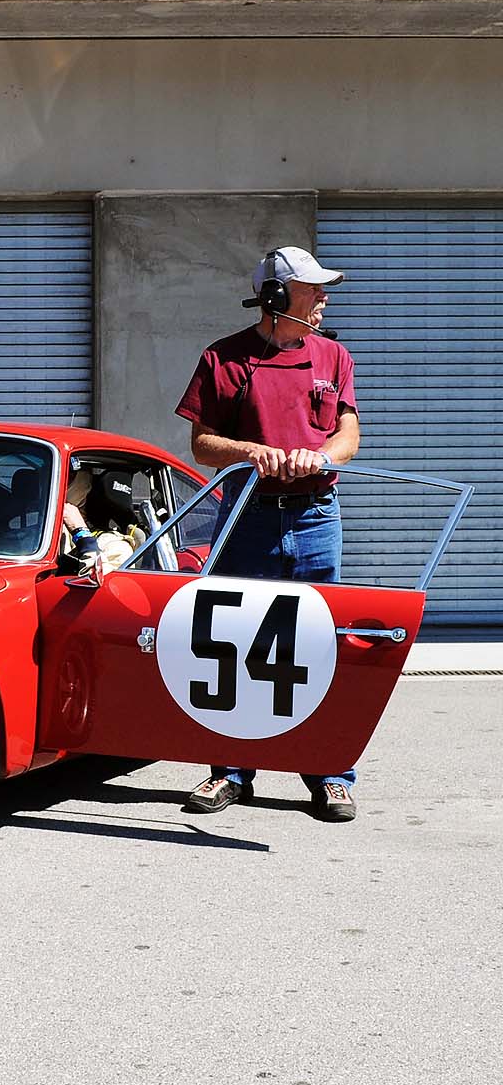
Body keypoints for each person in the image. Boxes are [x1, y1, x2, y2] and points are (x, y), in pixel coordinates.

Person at [174, 246, 361, 821]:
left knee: (320, 641)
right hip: (248, 517)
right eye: (314, 290)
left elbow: (349, 436)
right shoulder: (222, 358)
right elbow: (202, 443)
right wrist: (248, 450)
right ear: (278, 298)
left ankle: (329, 774)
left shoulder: (334, 356)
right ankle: (230, 772)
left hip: (315, 516)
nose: (325, 299)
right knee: (238, 641)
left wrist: (319, 456)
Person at [61, 464, 145, 575]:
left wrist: (81, 534)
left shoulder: (117, 545)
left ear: (86, 488)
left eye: (69, 477)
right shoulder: (42, 526)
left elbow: (98, 582)